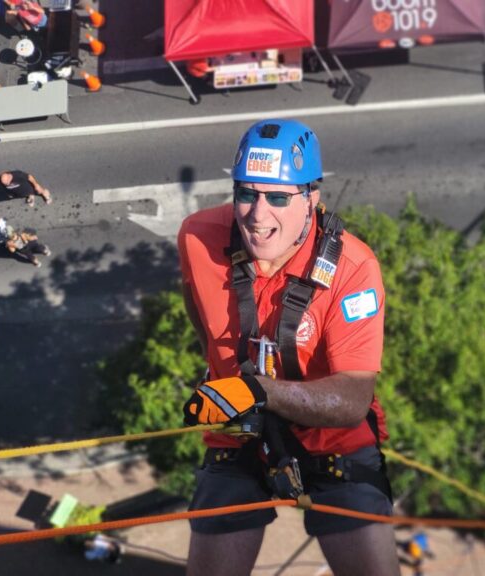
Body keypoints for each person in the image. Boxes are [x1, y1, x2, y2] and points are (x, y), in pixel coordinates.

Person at [178, 119, 399, 576]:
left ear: (311, 200)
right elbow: (194, 301)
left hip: (333, 441)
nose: (257, 216)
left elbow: (353, 401)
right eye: (246, 193)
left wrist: (259, 392)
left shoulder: (353, 269)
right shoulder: (199, 237)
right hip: (239, 432)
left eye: (278, 197)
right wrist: (217, 370)